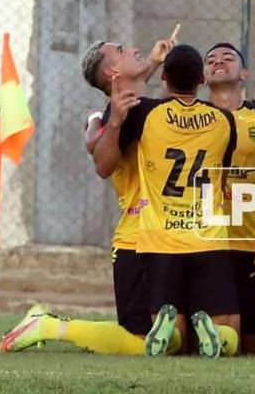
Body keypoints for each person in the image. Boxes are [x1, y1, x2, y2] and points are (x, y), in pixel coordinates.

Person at [0, 29, 183, 356]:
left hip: (163, 235)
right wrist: (107, 124)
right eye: (124, 50)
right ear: (113, 73)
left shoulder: (127, 106)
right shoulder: (121, 112)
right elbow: (102, 165)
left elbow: (116, 112)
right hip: (138, 241)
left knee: (174, 339)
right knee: (144, 343)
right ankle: (48, 326)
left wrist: (153, 62)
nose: (135, 49)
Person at [93, 44, 241, 359]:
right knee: (230, 329)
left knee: (167, 336)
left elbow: (102, 164)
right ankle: (215, 337)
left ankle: (170, 337)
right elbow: (223, 178)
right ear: (202, 78)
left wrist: (111, 121)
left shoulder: (144, 112)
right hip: (208, 238)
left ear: (164, 77)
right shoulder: (224, 120)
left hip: (159, 240)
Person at [204, 42, 255, 355]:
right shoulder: (190, 117)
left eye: (227, 58)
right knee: (223, 339)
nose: (218, 62)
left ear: (245, 73)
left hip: (251, 245)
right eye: (211, 60)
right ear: (202, 77)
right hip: (205, 243)